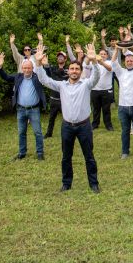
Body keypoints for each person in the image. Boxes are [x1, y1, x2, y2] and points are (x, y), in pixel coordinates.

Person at [34, 43, 101, 193]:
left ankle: (94, 184)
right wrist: (38, 63)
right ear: (68, 71)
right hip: (67, 126)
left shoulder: (86, 85)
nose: (74, 71)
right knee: (66, 157)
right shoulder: (62, 85)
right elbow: (45, 80)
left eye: (77, 69)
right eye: (72, 69)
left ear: (81, 71)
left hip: (84, 126)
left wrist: (94, 60)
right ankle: (66, 183)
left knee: (89, 156)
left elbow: (96, 76)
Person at [0, 54, 46, 161]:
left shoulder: (38, 78)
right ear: (22, 68)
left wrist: (42, 64)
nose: (27, 70)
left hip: (34, 109)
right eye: (25, 68)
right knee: (21, 132)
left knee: (37, 132)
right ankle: (22, 152)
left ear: (32, 68)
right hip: (21, 109)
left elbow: (48, 75)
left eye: (29, 68)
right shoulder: (18, 77)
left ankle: (40, 152)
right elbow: (6, 77)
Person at [43, 50, 69, 138]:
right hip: (53, 99)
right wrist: (46, 65)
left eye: (62, 57)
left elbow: (64, 79)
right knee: (51, 118)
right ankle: (49, 133)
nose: (60, 58)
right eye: (58, 57)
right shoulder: (53, 68)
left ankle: (68, 133)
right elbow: (49, 74)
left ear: (65, 59)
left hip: (64, 99)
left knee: (67, 118)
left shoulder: (69, 69)